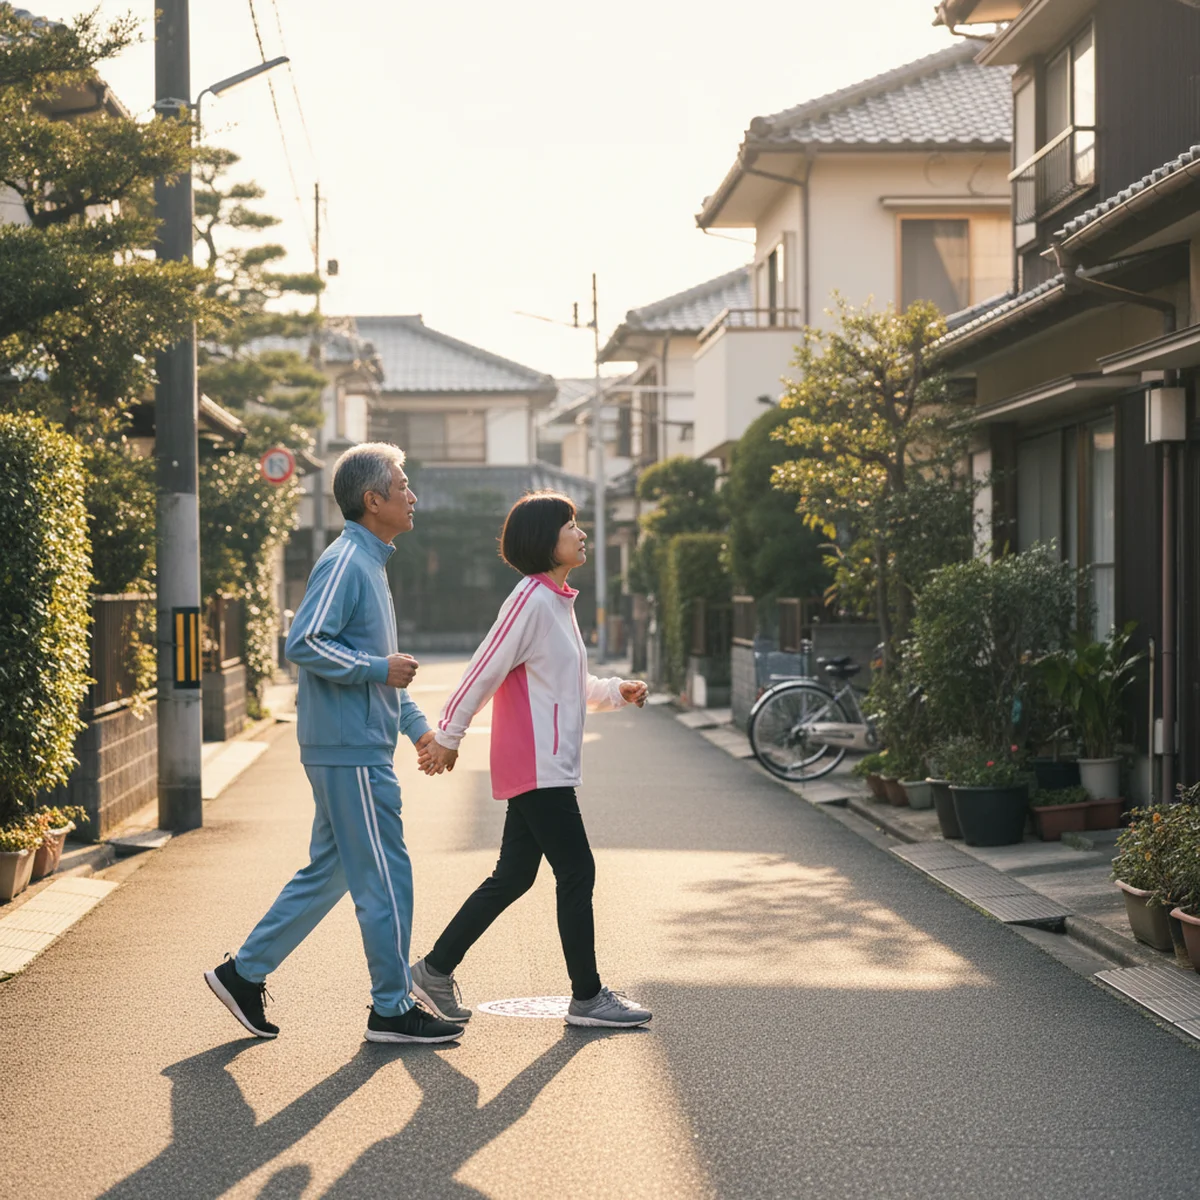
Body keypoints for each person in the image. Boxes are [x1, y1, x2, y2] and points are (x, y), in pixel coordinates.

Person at [204, 443, 464, 1046]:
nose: (412, 494)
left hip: (352, 748)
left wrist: (419, 728)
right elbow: (303, 644)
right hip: (349, 753)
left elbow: (377, 669)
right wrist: (377, 668)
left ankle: (243, 974)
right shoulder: (348, 561)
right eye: (403, 485)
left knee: (332, 872)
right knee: (387, 879)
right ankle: (392, 1009)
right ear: (373, 501)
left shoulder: (367, 562)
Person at [411, 490, 652, 1029]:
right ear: (546, 540)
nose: (581, 533)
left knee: (515, 876)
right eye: (571, 525)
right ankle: (588, 997)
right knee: (577, 870)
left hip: (546, 764)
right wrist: (449, 734)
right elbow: (483, 668)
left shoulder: (556, 601)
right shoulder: (530, 599)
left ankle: (433, 970)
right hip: (538, 765)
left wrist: (617, 690)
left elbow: (569, 685)